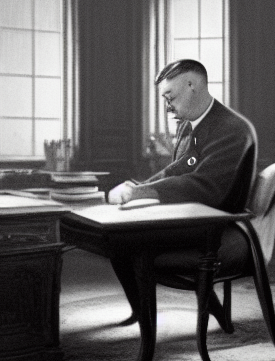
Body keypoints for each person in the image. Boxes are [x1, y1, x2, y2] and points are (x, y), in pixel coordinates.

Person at [108, 59, 258, 325]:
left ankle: (148, 327)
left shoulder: (231, 129)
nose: (167, 106)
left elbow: (206, 187)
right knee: (117, 238)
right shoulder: (195, 125)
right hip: (197, 219)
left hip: (220, 228)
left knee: (128, 241)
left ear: (192, 85)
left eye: (170, 97)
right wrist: (137, 188)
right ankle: (142, 311)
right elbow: (179, 169)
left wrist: (140, 193)